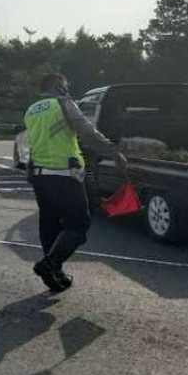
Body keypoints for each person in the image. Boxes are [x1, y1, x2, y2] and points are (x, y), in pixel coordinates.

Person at [24, 74, 127, 292]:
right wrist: (112, 151)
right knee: (79, 225)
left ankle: (54, 273)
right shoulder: (63, 103)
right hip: (65, 174)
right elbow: (86, 131)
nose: (67, 89)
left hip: (40, 176)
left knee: (49, 224)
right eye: (65, 86)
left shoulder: (32, 109)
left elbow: (36, 141)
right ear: (58, 86)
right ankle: (50, 264)